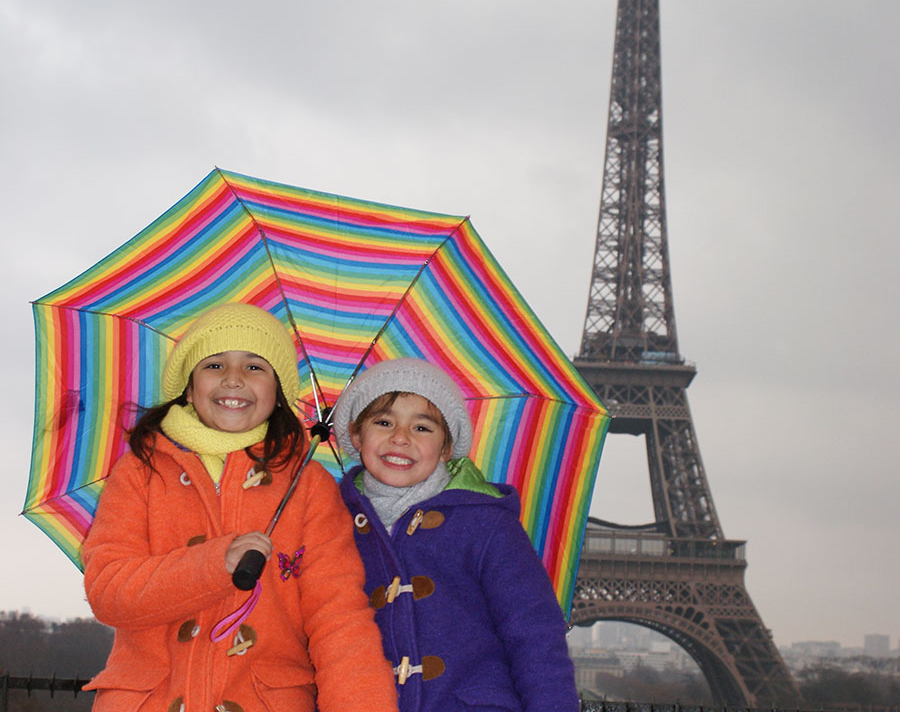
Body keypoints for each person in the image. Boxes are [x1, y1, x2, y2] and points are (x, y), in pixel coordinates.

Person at [82, 303, 399, 712]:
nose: (233, 379)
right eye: (214, 365)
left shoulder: (309, 487)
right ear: (190, 386)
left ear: (278, 389)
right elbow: (109, 591)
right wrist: (213, 564)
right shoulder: (140, 471)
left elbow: (339, 620)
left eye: (254, 367)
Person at [332, 357, 579, 712]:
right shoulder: (330, 521)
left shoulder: (488, 525)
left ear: (448, 447)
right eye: (384, 422)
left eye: (422, 428)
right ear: (356, 434)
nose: (399, 438)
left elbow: (535, 638)